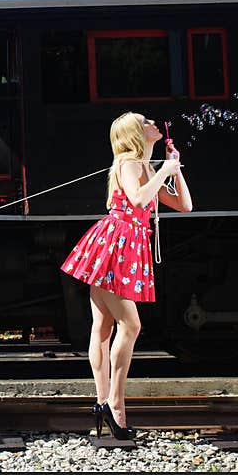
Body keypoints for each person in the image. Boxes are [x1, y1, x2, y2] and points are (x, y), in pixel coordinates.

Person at [60, 112, 192, 440]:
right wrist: (163, 171)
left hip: (123, 245)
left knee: (103, 327)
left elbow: (185, 205)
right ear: (135, 132)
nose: (152, 123)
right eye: (145, 121)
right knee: (130, 325)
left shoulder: (144, 167)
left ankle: (103, 401)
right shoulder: (130, 162)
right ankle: (115, 406)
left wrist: (174, 169)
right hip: (118, 244)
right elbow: (137, 199)